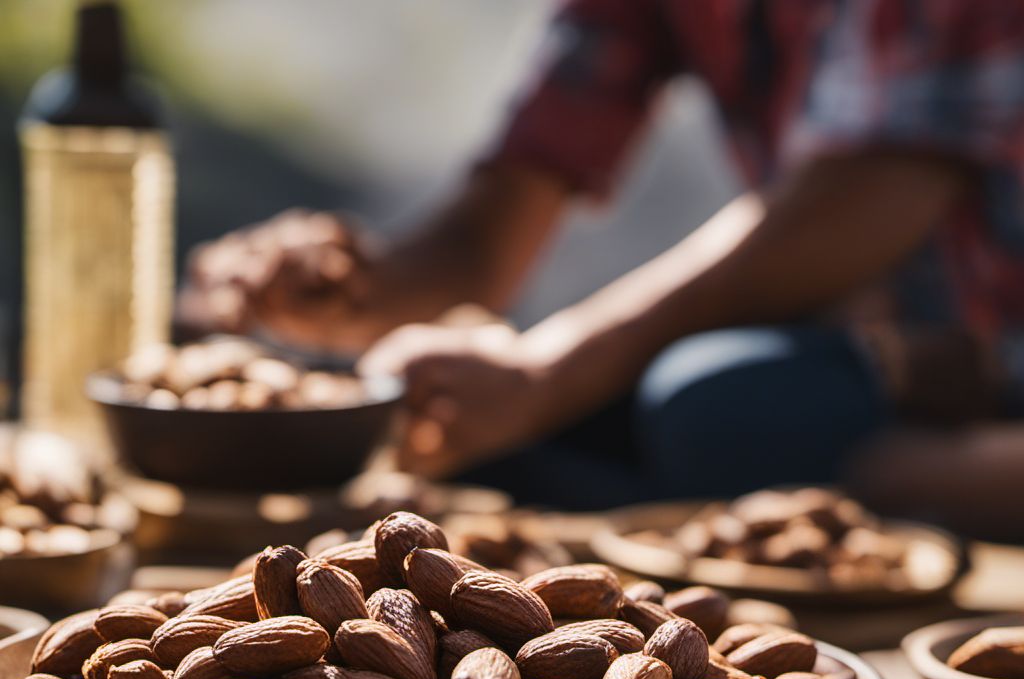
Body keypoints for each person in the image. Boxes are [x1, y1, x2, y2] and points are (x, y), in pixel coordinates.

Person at [180, 0, 1024, 519]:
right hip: (879, 358)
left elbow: (876, 189)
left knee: (713, 404)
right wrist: (343, 290)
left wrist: (549, 371)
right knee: (498, 436)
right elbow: (495, 225)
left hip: (993, 353)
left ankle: (982, 477)